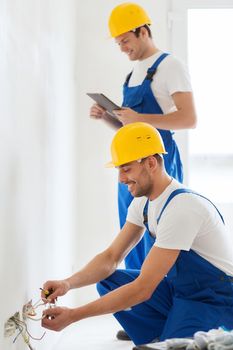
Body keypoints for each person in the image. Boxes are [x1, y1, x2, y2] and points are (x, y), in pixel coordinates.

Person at [42, 123, 233, 349]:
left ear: (151, 162)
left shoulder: (182, 208)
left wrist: (74, 315)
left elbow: (144, 288)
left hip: (214, 299)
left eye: (126, 168)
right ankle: (163, 334)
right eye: (119, 170)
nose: (121, 178)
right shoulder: (143, 203)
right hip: (180, 289)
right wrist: (68, 283)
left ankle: (182, 333)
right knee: (108, 281)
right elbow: (111, 257)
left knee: (176, 345)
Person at [90, 2, 197, 276]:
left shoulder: (169, 65)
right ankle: (141, 300)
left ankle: (165, 298)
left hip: (157, 162)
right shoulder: (132, 73)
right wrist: (106, 116)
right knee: (132, 232)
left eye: (125, 40)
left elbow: (189, 119)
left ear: (143, 31)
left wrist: (141, 118)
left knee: (161, 230)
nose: (122, 48)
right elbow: (133, 128)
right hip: (130, 164)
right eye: (118, 43)